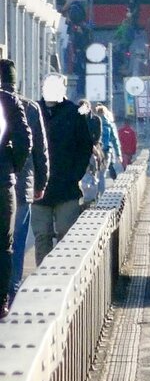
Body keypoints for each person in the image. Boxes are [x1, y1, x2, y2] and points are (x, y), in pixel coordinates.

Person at [32, 74, 95, 265]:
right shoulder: (34, 110)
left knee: (66, 234)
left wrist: (75, 174)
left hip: (67, 187)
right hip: (38, 187)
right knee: (41, 235)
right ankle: (43, 274)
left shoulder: (74, 113)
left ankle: (63, 272)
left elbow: (85, 146)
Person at [0, 60, 49, 302]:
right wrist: (41, 182)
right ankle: (12, 290)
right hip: (22, 187)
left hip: (8, 180)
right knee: (15, 241)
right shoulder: (29, 107)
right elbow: (39, 149)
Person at [0, 70, 32, 317]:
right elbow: (25, 139)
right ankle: (1, 302)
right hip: (2, 182)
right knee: (3, 244)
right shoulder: (8, 100)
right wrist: (12, 165)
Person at [95, 104, 122, 190]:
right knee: (102, 174)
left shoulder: (94, 123)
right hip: (107, 152)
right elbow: (115, 140)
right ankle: (101, 195)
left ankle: (95, 195)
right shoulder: (109, 124)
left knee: (96, 174)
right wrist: (118, 154)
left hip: (96, 151)